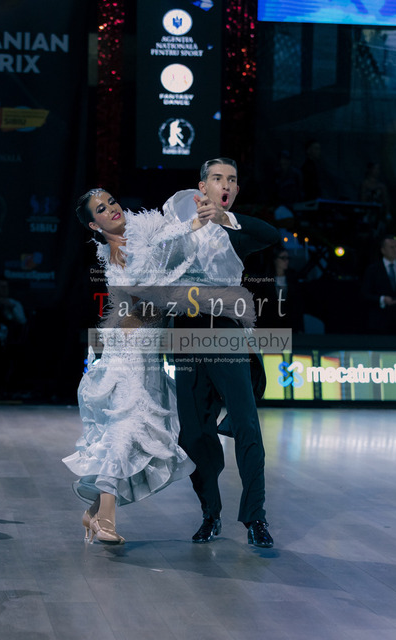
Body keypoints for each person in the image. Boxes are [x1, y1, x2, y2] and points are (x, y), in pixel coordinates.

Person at [63, 188, 212, 544]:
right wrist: (172, 296)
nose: (112, 209)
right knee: (125, 426)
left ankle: (94, 513)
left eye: (112, 201)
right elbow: (144, 305)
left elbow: (171, 233)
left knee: (143, 436)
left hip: (150, 354)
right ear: (94, 225)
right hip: (128, 351)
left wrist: (196, 219)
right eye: (101, 209)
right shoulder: (114, 256)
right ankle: (106, 520)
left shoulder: (144, 228)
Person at [168, 158, 280, 548]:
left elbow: (272, 233)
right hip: (186, 336)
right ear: (202, 187)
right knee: (194, 434)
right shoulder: (178, 229)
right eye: (218, 178)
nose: (226, 185)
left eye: (232, 179)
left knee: (247, 425)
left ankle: (256, 518)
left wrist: (226, 219)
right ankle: (210, 513)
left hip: (226, 334)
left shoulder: (236, 233)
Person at [361, 234, 396, 334]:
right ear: (383, 250)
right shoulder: (373, 269)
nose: (395, 250)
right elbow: (364, 294)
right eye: (391, 247)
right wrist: (382, 299)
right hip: (379, 322)